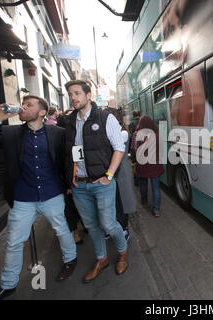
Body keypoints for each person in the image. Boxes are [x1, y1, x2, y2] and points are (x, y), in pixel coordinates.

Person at [0, 96, 77, 300]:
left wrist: (72, 184)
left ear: (42, 112)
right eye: (23, 103)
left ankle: (70, 260)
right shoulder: (9, 133)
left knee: (62, 230)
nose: (23, 107)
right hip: (22, 198)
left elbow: (69, 159)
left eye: (29, 105)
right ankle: (8, 284)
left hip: (52, 194)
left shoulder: (58, 133)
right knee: (13, 242)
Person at [64, 80, 128, 282]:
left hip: (102, 183)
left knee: (109, 224)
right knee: (91, 226)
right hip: (79, 185)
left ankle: (123, 253)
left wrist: (109, 175)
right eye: (70, 94)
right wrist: (70, 180)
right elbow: (66, 154)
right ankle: (102, 259)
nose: (73, 98)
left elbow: (119, 147)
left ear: (88, 95)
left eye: (77, 93)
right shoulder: (68, 121)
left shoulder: (104, 117)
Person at [57, 108, 85, 245]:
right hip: (68, 180)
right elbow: (62, 163)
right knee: (70, 208)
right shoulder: (61, 140)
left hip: (78, 178)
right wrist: (67, 184)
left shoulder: (78, 139)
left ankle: (84, 225)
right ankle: (74, 232)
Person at [109, 108, 137, 241]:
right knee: (113, 200)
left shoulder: (123, 133)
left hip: (121, 170)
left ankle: (124, 227)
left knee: (123, 199)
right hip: (113, 170)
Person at [131, 115, 165, 217]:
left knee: (143, 184)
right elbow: (162, 148)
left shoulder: (136, 134)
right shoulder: (157, 134)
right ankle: (156, 210)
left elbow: (133, 149)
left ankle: (144, 200)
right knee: (156, 187)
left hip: (142, 164)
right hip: (155, 163)